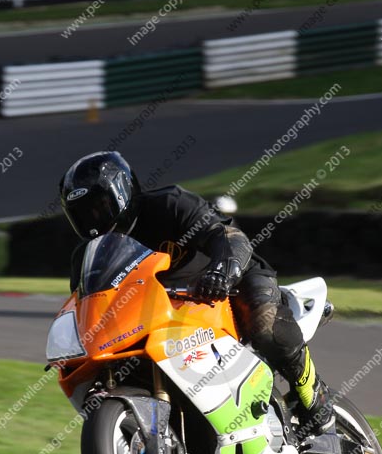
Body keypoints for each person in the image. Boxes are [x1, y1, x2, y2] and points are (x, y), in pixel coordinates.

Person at [60, 151, 334, 434]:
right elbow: (91, 306)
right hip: (165, 315)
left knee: (264, 326)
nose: (93, 219)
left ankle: (314, 392)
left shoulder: (169, 204)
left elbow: (228, 236)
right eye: (82, 214)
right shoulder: (86, 257)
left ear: (122, 192)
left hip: (226, 282)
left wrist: (222, 271)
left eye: (99, 207)